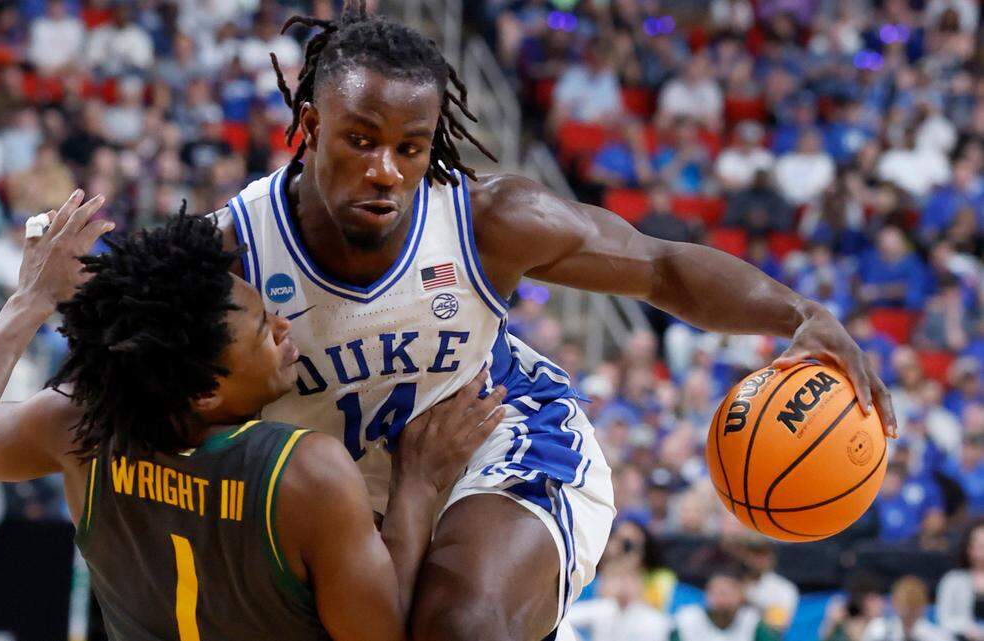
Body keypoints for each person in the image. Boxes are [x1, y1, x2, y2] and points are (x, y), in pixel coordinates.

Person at [209, 4, 897, 640]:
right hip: (338, 492)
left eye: (410, 148)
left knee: (462, 625)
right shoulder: (231, 253)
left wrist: (799, 312)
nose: (386, 170)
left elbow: (659, 267)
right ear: (310, 123)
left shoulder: (486, 219)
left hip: (496, 443)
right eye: (360, 140)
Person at [0, 192, 507, 641]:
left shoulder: (82, 427)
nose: (284, 327)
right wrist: (417, 483)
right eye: (262, 330)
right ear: (204, 391)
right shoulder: (304, 473)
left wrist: (31, 299)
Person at [672, 567, 781, 641]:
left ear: (740, 595)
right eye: (715, 592)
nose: (720, 598)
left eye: (726, 592)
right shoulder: (687, 618)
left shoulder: (752, 620)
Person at [936, 520, 984, 640]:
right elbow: (944, 618)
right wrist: (968, 629)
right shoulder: (952, 580)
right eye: (980, 545)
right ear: (969, 549)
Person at [866, 576, 953, 641]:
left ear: (923, 607)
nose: (908, 613)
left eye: (913, 608)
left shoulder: (938, 636)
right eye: (904, 606)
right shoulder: (878, 630)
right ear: (894, 603)